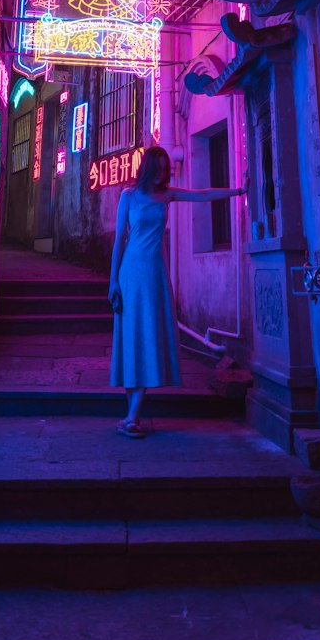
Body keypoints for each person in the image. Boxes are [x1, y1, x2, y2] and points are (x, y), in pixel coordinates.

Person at [108, 145, 246, 438]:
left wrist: (236, 192)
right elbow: (120, 239)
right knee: (132, 338)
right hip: (131, 274)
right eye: (157, 168)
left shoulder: (167, 195)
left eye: (165, 168)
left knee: (148, 336)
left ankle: (132, 416)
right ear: (147, 168)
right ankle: (131, 414)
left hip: (155, 275)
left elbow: (203, 195)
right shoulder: (129, 196)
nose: (162, 173)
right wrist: (113, 281)